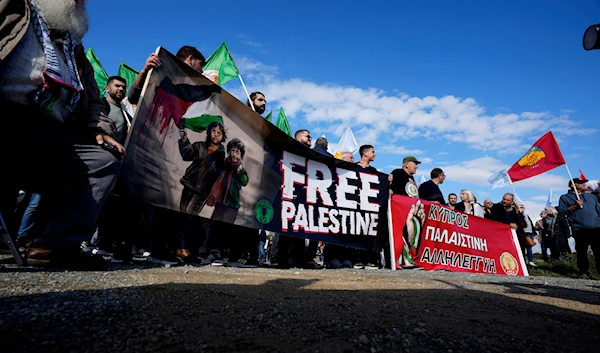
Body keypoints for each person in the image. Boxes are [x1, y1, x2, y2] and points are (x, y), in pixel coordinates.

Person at [0, 0, 124, 267]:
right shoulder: (13, 10)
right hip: (7, 117)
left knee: (103, 160)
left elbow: (92, 101)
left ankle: (55, 246)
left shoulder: (74, 51)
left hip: (48, 135)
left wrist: (99, 129)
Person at [558, 178, 600, 279]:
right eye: (581, 183)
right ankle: (583, 272)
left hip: (596, 228)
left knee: (598, 251)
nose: (584, 184)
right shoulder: (564, 198)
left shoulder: (591, 196)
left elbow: (598, 210)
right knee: (582, 251)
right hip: (579, 229)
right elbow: (563, 212)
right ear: (573, 185)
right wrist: (575, 206)